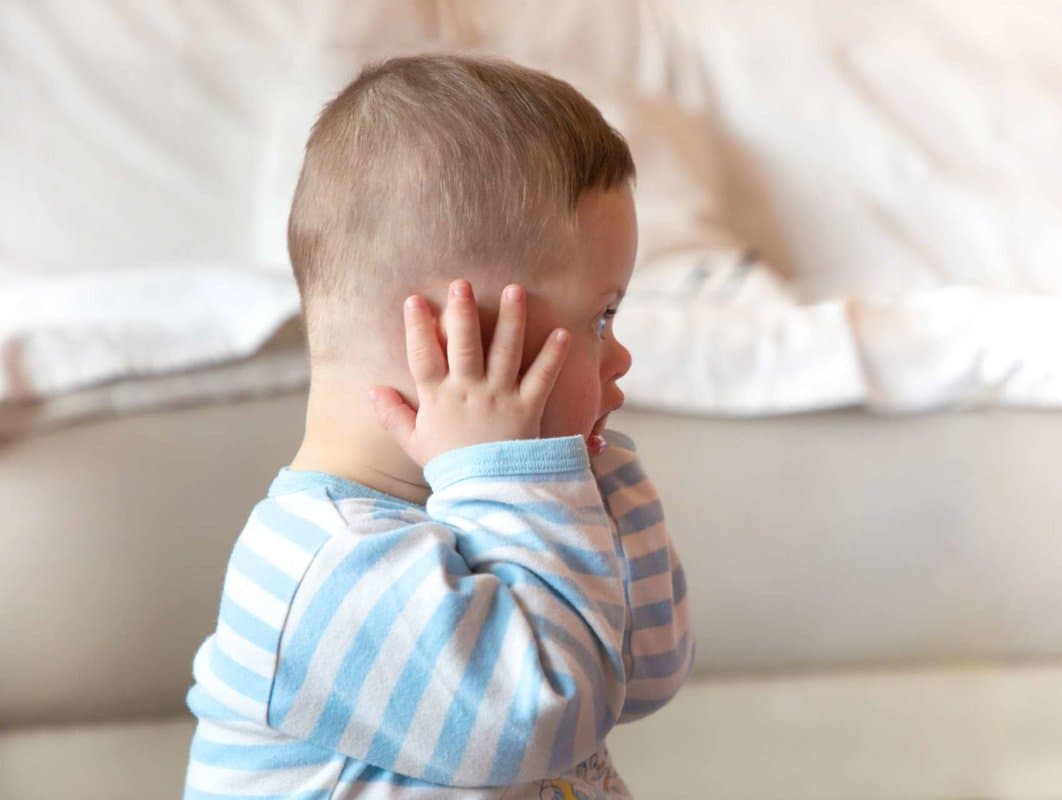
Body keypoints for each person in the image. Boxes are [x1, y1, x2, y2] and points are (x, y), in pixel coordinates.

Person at [183, 54, 694, 799]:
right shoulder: (320, 566)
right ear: (455, 337)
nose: (620, 355)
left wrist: (590, 477)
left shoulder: (505, 513)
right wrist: (531, 487)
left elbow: (646, 672)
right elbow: (547, 716)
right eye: (602, 316)